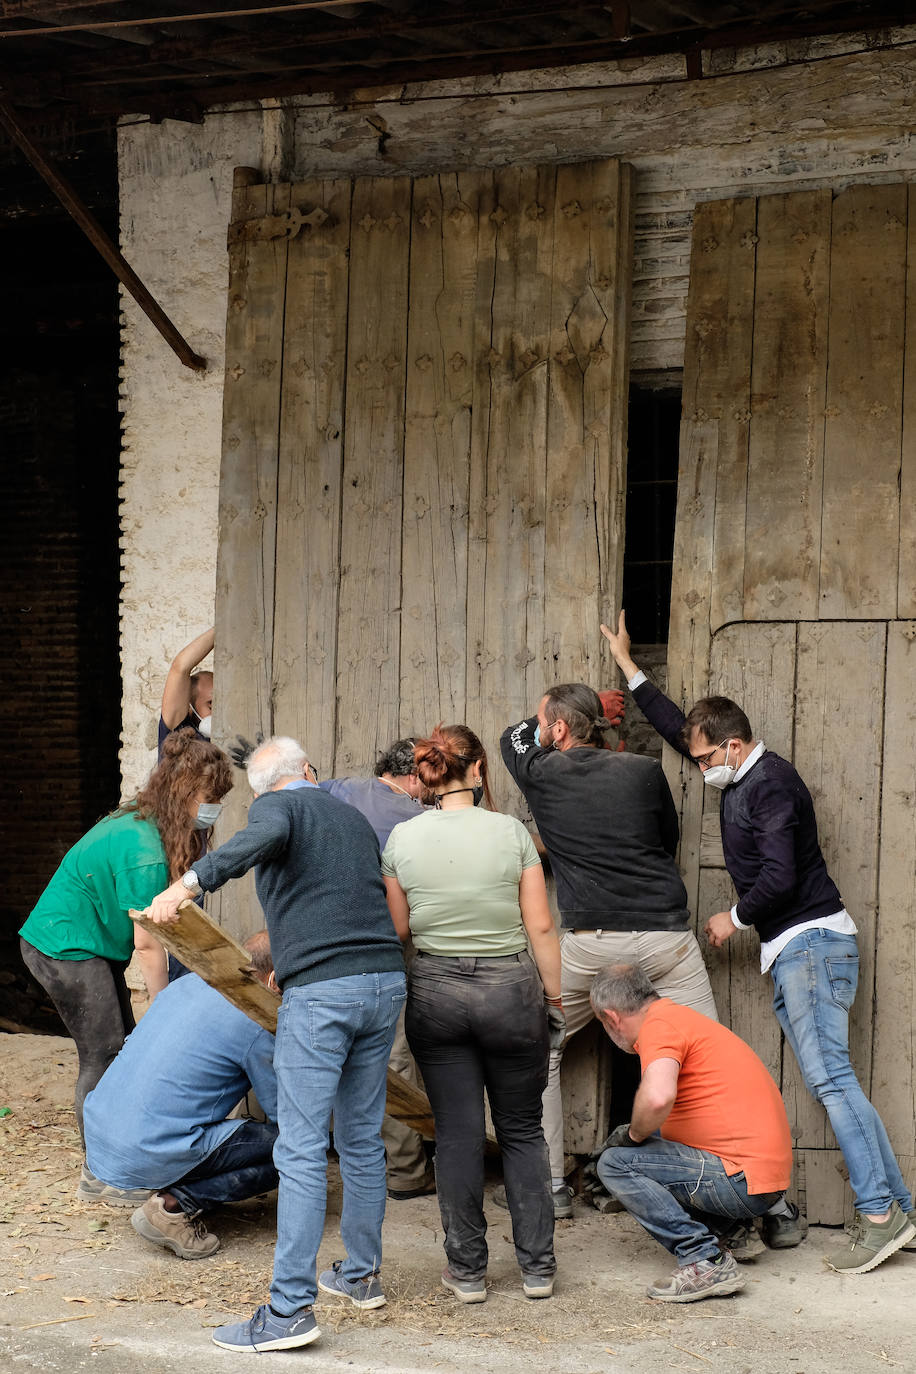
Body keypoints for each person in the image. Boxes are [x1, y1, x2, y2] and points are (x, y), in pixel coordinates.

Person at [602, 609, 916, 1272]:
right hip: (800, 951)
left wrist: (733, 918)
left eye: (707, 759)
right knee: (837, 1080)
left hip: (809, 945)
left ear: (736, 746)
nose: (701, 769)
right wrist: (631, 669)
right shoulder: (738, 770)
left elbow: (781, 874)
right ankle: (897, 1210)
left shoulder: (769, 786)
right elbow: (676, 727)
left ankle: (881, 1214)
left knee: (832, 1081)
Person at [147, 735, 406, 1355]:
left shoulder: (276, 808)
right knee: (364, 1138)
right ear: (309, 771)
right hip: (383, 984)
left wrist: (185, 886)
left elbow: (253, 843)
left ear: (267, 789)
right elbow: (341, 897)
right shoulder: (351, 817)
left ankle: (289, 1308)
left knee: (300, 1148)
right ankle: (361, 1274)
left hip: (324, 997)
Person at [500, 684, 717, 1218]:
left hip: (589, 944)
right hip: (664, 939)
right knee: (704, 1054)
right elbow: (667, 839)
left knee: (541, 1052)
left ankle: (550, 1184)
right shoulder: (643, 771)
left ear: (556, 730)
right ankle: (718, 1187)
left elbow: (513, 736)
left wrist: (582, 700)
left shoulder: (541, 772)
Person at [382, 725, 563, 1303]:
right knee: (522, 1129)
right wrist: (555, 999)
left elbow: (400, 931)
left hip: (435, 990)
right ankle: (537, 1269)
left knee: (457, 1136)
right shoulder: (511, 833)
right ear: (478, 769)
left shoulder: (401, 839)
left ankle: (467, 1272)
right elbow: (539, 926)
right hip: (510, 990)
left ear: (427, 776)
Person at [19, 729, 233, 1202]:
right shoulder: (144, 851)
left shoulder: (151, 820)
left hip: (89, 945)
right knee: (104, 1050)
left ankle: (115, 1158)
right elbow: (149, 944)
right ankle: (101, 1172)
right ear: (184, 793)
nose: (214, 807)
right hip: (64, 948)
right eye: (209, 798)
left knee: (118, 1046)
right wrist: (163, 1010)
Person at [590, 964, 794, 1303]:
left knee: (616, 1163)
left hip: (741, 1181)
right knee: (657, 1141)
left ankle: (705, 1259)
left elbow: (657, 1097)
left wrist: (633, 1136)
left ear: (611, 1018)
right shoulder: (680, 1017)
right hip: (757, 1179)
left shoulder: (659, 1028)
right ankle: (731, 1231)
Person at [83, 931, 279, 1259]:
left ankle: (157, 1179)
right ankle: (173, 1207)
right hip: (144, 1151)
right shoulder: (255, 1021)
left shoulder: (186, 984)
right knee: (291, 1149)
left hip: (101, 1141)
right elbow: (286, 1114)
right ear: (273, 981)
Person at [321, 738, 433, 1201]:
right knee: (394, 1056)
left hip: (325, 940)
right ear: (413, 778)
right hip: (383, 943)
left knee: (329, 1047)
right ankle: (406, 1169)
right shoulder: (419, 819)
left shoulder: (339, 789)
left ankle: (342, 1152)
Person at [159, 626, 214, 752]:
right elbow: (180, 668)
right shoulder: (176, 734)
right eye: (211, 705)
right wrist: (224, 624)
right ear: (189, 708)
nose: (217, 715)